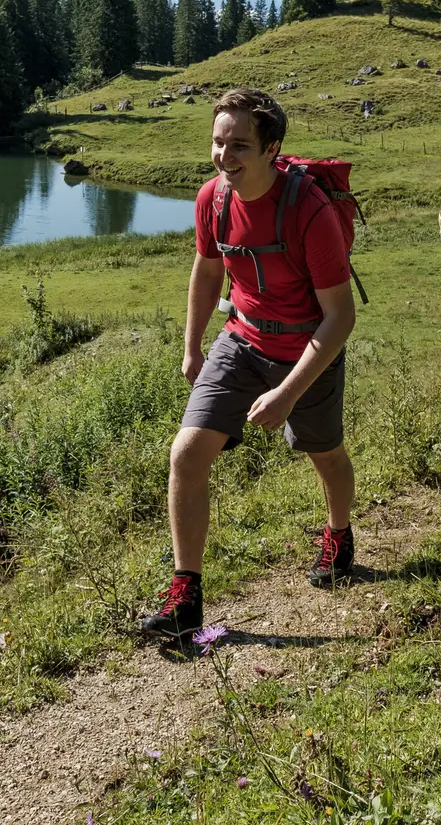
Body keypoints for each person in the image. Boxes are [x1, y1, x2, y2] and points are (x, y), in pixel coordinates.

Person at [140, 88, 358, 640]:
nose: (224, 156)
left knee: (325, 456)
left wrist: (286, 393)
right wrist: (194, 345)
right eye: (217, 143)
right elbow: (208, 271)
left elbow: (340, 317)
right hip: (239, 340)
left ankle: (339, 534)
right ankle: (185, 597)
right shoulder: (212, 198)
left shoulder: (309, 210)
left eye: (238, 145)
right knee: (186, 453)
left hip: (307, 349)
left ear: (272, 149)